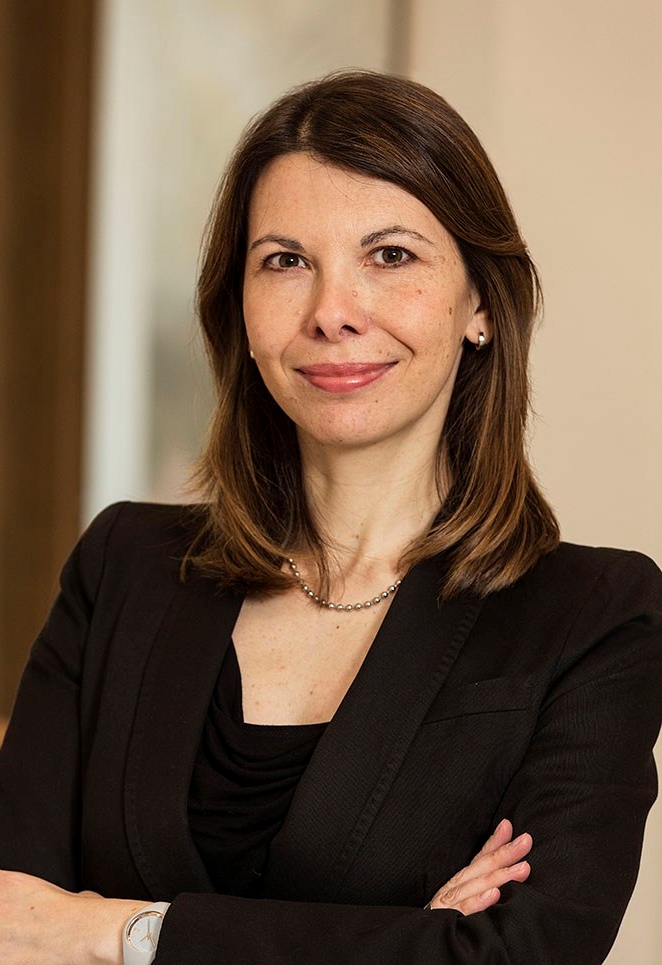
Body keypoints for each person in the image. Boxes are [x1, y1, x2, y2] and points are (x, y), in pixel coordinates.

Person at [0, 69, 661, 965]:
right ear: (238, 304)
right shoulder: (122, 565)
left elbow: (520, 956)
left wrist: (118, 933)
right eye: (285, 261)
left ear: (478, 303)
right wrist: (409, 937)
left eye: (390, 256)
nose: (331, 313)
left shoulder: (596, 615)